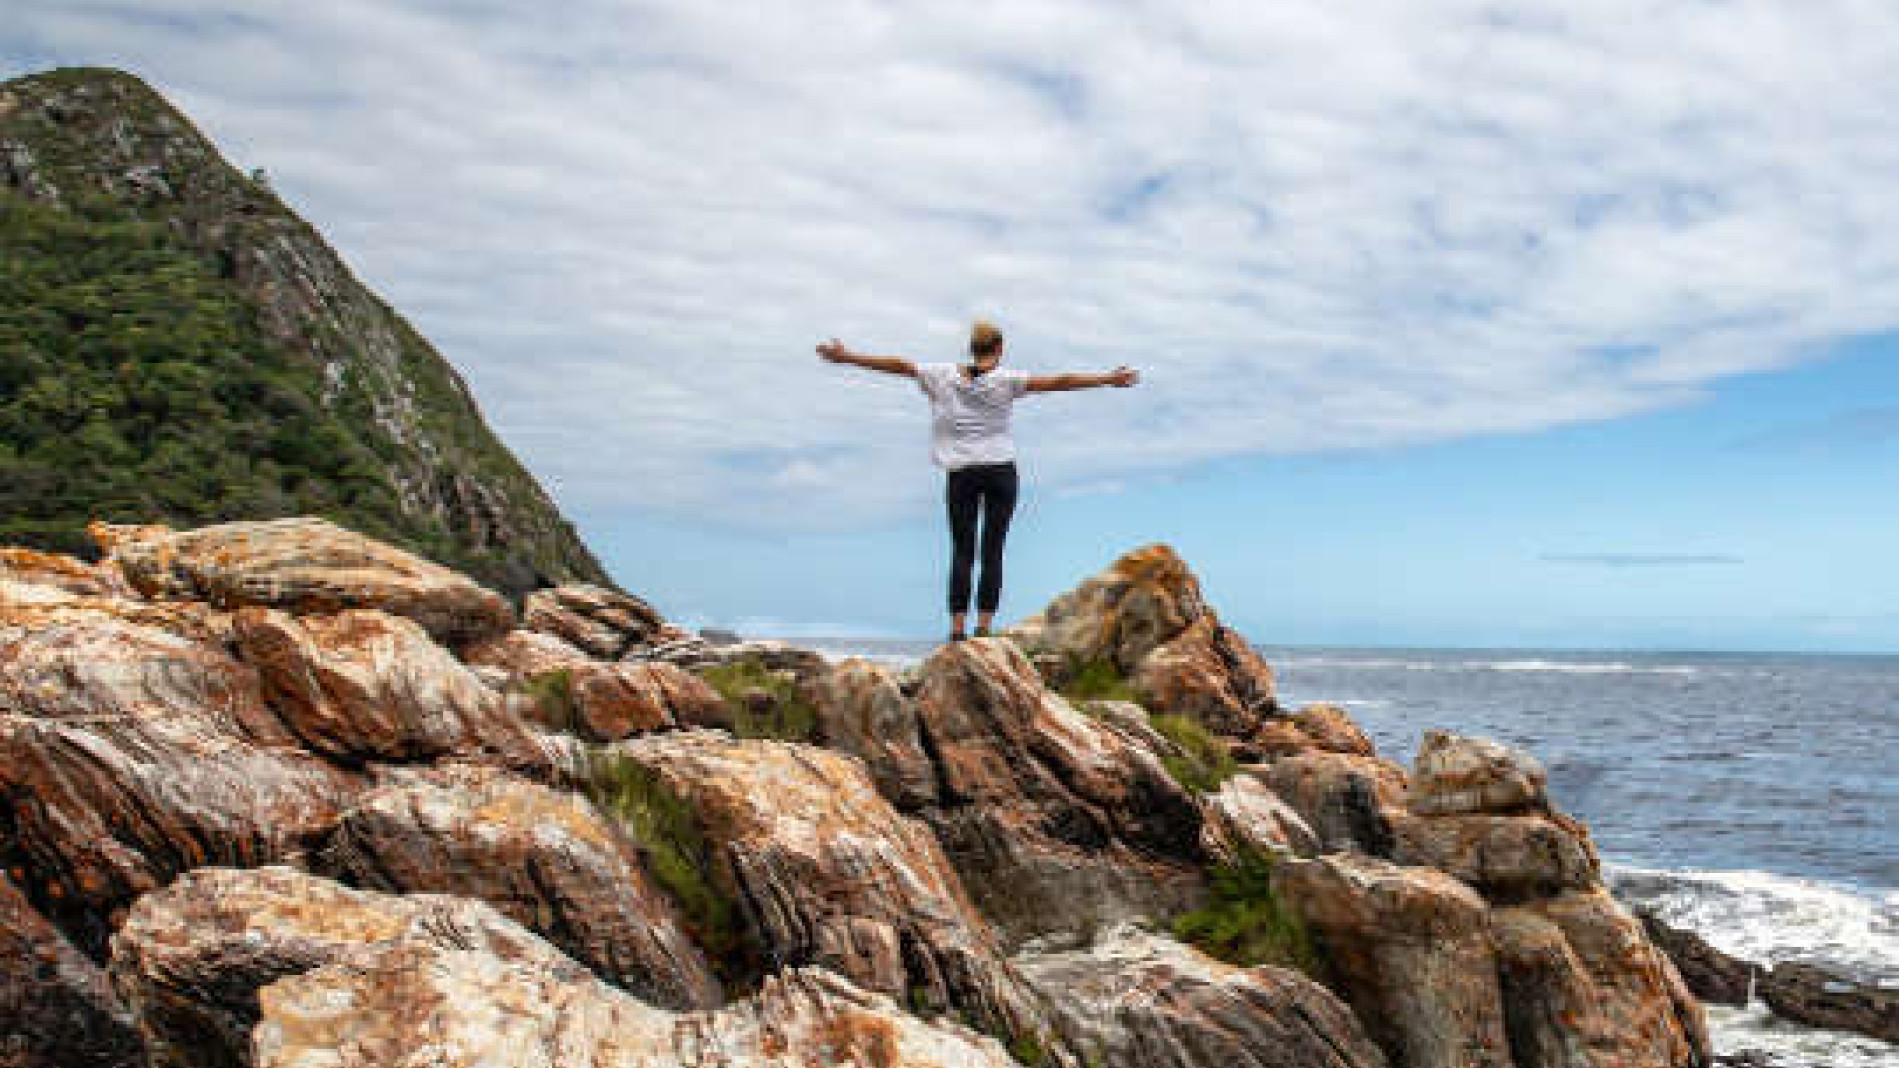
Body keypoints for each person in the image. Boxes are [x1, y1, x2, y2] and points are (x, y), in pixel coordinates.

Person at [817, 320, 1140, 643]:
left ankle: (958, 630)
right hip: (1000, 470)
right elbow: (1060, 381)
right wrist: (1108, 379)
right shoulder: (1007, 380)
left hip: (962, 473)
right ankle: (984, 628)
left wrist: (848, 357)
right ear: (999, 349)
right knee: (993, 551)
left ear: (972, 349)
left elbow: (899, 365)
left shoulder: (942, 375)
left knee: (962, 552)